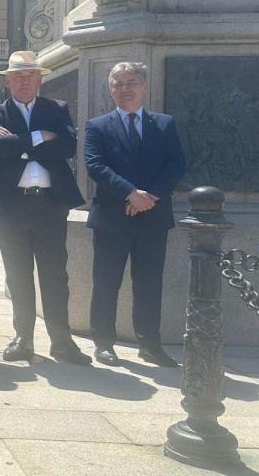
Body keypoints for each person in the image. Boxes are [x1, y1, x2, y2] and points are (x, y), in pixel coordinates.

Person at [0, 50, 90, 365]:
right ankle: (23, 338)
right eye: (18, 76)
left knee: (55, 274)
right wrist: (39, 137)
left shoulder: (56, 109)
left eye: (31, 76)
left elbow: (68, 146)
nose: (25, 81)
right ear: (9, 81)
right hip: (10, 206)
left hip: (49, 204)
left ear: (40, 79)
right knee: (18, 274)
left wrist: (19, 143)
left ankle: (61, 340)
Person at [84, 62, 186, 367]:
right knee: (106, 282)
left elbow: (176, 164)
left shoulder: (164, 124)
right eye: (118, 84)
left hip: (153, 217)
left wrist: (149, 197)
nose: (124, 89)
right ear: (110, 89)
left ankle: (149, 344)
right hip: (112, 217)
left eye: (131, 83)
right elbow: (95, 165)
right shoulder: (97, 126)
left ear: (144, 86)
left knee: (149, 283)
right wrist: (131, 193)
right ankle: (103, 343)